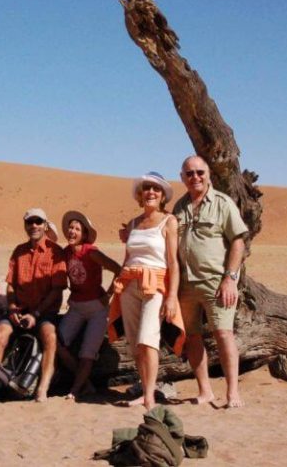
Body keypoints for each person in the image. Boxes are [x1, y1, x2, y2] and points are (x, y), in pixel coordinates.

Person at [173, 155, 249, 408]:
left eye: (199, 172)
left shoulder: (222, 203)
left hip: (216, 282)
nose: (195, 177)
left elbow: (238, 240)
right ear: (182, 177)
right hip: (185, 284)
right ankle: (205, 390)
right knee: (192, 337)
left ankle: (233, 393)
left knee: (223, 333)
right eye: (189, 173)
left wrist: (230, 278)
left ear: (208, 175)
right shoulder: (179, 207)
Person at [110, 171, 180, 410]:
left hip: (156, 285)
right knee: (134, 342)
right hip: (129, 285)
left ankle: (150, 395)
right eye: (146, 188)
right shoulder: (132, 224)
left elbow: (173, 263)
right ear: (140, 195)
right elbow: (128, 257)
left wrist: (171, 296)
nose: (150, 192)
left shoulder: (169, 221)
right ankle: (143, 387)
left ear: (162, 196)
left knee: (148, 339)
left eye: (156, 189)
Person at [0, 208, 67, 402]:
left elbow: (57, 290)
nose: (34, 226)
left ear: (45, 225)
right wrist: (12, 307)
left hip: (44, 312)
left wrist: (36, 314)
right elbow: (11, 285)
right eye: (30, 222)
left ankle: (42, 389)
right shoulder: (19, 251)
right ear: (25, 226)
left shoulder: (56, 253)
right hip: (18, 310)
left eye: (38, 222)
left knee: (50, 337)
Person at [56, 211, 121, 400]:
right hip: (76, 306)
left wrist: (108, 295)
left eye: (77, 229)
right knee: (59, 343)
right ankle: (85, 383)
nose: (72, 231)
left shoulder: (91, 252)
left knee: (87, 352)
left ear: (84, 235)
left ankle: (75, 390)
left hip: (97, 309)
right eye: (71, 228)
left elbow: (117, 268)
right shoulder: (65, 252)